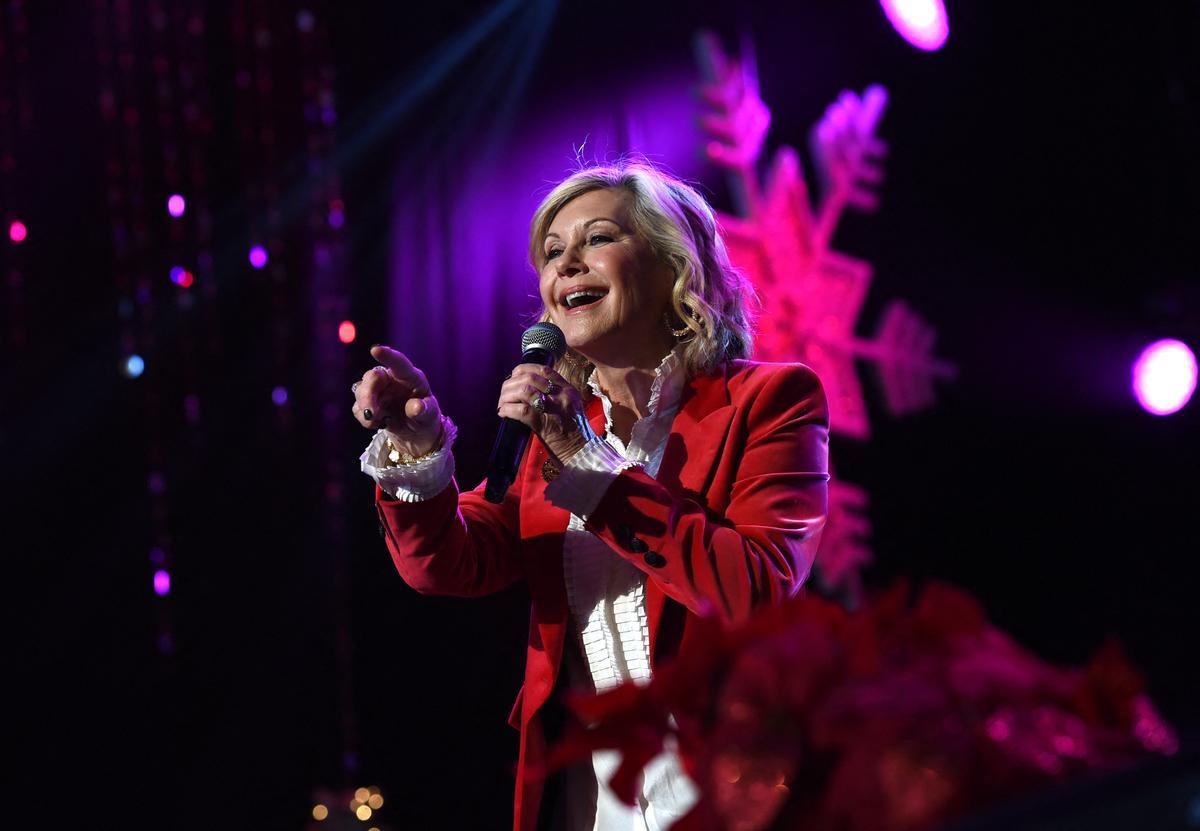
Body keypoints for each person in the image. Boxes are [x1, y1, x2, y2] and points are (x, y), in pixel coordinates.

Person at [352, 161, 829, 831]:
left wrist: (584, 456)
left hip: (726, 795)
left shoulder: (771, 401)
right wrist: (418, 446)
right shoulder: (554, 431)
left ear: (675, 268)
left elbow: (755, 587)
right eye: (551, 253)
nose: (566, 264)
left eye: (596, 238)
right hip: (586, 805)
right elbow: (447, 563)